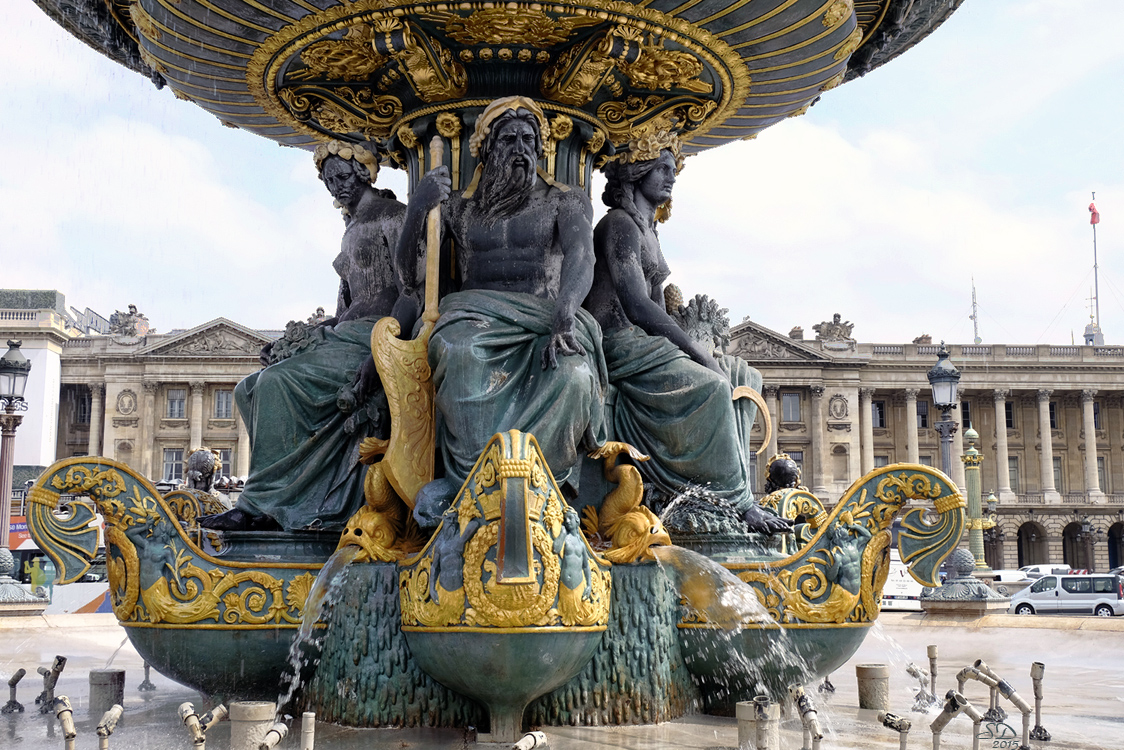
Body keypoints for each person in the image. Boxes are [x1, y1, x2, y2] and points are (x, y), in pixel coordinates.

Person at [400, 96, 607, 497]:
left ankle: (544, 486)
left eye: (529, 140)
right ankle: (476, 487)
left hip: (546, 316)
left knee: (574, 374)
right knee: (460, 354)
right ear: (488, 150)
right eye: (508, 139)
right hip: (475, 320)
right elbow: (410, 275)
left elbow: (583, 256)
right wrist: (417, 208)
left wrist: (565, 310)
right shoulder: (458, 209)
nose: (520, 149)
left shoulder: (564, 201)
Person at [584, 131, 788, 534]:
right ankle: (738, 504)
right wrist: (693, 349)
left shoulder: (649, 232)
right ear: (635, 172)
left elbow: (657, 307)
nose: (670, 177)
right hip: (616, 339)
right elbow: (636, 303)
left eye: (672, 169)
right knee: (712, 385)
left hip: (642, 340)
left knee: (744, 375)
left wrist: (694, 347)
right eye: (661, 168)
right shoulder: (618, 225)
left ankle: (731, 484)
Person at [202, 141, 408, 531]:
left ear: (364, 173)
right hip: (347, 332)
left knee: (277, 384)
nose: (338, 187)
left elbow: (412, 290)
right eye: (330, 181)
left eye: (344, 177)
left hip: (378, 334)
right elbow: (343, 309)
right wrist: (300, 337)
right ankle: (291, 494)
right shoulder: (350, 229)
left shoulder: (392, 216)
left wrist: (382, 351)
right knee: (247, 388)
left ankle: (261, 505)